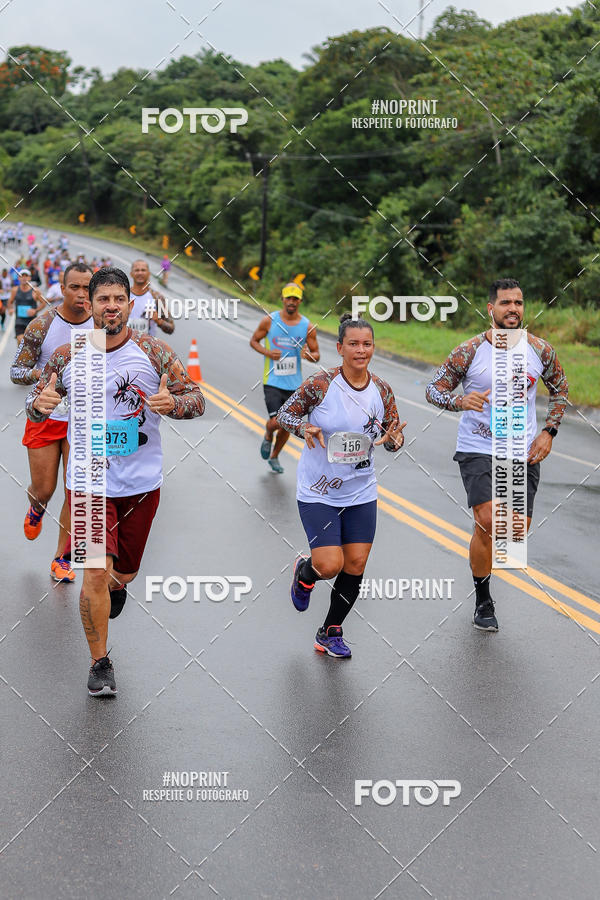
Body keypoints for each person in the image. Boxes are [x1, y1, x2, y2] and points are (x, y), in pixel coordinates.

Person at [26, 266, 205, 696]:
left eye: (118, 299)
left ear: (129, 304)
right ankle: (100, 663)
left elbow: (197, 399)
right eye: (102, 299)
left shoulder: (154, 351)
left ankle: (117, 585)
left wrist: (173, 405)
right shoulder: (68, 355)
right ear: (90, 304)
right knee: (93, 573)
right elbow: (36, 402)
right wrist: (40, 404)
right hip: (88, 480)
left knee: (123, 572)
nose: (111, 306)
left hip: (140, 483)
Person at [425, 277, 569, 632]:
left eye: (518, 302)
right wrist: (460, 400)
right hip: (477, 447)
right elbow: (433, 389)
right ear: (491, 309)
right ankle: (483, 599)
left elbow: (560, 389)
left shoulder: (540, 350)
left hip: (521, 450)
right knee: (488, 521)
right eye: (505, 303)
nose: (513, 309)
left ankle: (486, 566)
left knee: (514, 531)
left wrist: (549, 432)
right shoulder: (470, 351)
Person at [277, 313, 406, 658]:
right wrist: (303, 428)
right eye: (353, 344)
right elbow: (285, 414)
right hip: (319, 490)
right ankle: (305, 572)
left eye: (367, 344)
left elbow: (392, 435)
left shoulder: (382, 389)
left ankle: (330, 631)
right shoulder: (321, 384)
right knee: (330, 564)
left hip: (361, 490)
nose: (361, 350)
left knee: (356, 564)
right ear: (340, 348)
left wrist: (395, 440)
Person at [11, 263, 94, 582]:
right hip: (45, 416)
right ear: (62, 289)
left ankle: (63, 558)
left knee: (77, 492)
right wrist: (44, 375)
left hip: (84, 421)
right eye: (75, 287)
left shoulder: (102, 326)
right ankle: (37, 507)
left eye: (88, 287)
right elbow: (16, 371)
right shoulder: (42, 324)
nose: (82, 294)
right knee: (45, 489)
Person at [250, 282, 320, 474]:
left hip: (294, 385)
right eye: (288, 298)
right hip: (272, 381)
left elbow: (316, 354)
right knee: (276, 422)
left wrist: (309, 355)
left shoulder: (307, 326)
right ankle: (268, 433)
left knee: (287, 426)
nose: (291, 302)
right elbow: (254, 341)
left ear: (300, 301)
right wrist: (267, 352)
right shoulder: (269, 321)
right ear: (282, 299)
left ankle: (274, 456)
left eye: (295, 299)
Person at [129, 259, 174, 336]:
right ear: (131, 274)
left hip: (147, 343)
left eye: (143, 270)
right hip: (125, 342)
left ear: (149, 274)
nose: (140, 273)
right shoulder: (123, 296)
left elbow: (171, 328)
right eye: (137, 270)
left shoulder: (157, 297)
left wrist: (158, 320)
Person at [7, 269, 44, 342]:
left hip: (32, 322)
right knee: (21, 342)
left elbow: (43, 303)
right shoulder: (15, 290)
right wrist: (10, 309)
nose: (24, 278)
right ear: (19, 278)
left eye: (26, 276)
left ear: (30, 278)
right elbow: (10, 302)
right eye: (22, 276)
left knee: (30, 344)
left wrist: (35, 310)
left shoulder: (35, 291)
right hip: (19, 321)